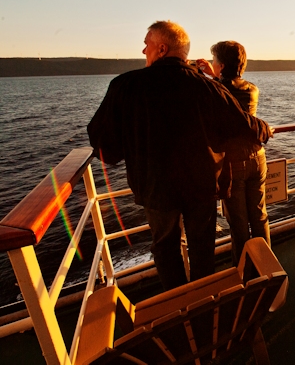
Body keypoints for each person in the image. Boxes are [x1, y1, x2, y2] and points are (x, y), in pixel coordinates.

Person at [87, 21, 272, 290]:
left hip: (155, 187)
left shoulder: (125, 86)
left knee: (165, 247)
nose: (143, 50)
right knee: (201, 247)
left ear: (162, 49)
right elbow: (243, 125)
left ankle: (178, 304)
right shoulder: (208, 88)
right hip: (201, 187)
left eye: (147, 43)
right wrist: (265, 128)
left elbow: (102, 141)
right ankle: (203, 302)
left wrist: (126, 151)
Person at [197, 41, 270, 265]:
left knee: (239, 224)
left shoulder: (215, 91)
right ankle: (268, 266)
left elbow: (222, 97)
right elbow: (229, 94)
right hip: (257, 157)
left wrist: (209, 77)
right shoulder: (252, 89)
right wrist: (215, 75)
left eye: (214, 61)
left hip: (233, 163)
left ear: (220, 65)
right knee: (259, 217)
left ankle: (245, 273)